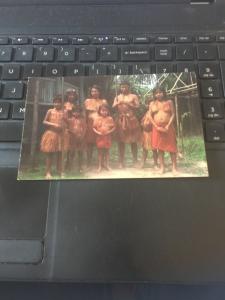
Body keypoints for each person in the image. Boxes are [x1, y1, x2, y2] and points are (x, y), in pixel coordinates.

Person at [149, 87, 177, 174]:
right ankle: (162, 167)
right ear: (154, 95)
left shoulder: (169, 102)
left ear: (164, 93)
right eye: (156, 93)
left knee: (172, 148)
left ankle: (174, 168)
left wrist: (168, 125)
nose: (158, 94)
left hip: (168, 128)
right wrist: (156, 126)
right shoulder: (152, 103)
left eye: (160, 92)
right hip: (157, 128)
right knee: (160, 148)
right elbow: (150, 116)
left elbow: (173, 114)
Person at [112, 81, 141, 168]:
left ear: (129, 87)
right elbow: (113, 106)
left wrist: (129, 104)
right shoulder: (118, 97)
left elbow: (138, 106)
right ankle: (121, 162)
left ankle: (135, 161)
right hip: (121, 120)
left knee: (133, 141)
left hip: (131, 119)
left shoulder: (133, 96)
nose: (123, 89)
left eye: (125, 87)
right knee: (121, 141)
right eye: (122, 87)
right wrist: (118, 103)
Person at [40, 95, 66, 179]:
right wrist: (54, 124)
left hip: (61, 135)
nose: (57, 104)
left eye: (59, 102)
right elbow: (44, 121)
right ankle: (48, 172)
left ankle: (60, 171)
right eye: (55, 102)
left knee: (60, 154)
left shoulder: (64, 112)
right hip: (51, 133)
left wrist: (64, 124)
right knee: (49, 154)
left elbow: (66, 122)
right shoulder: (50, 111)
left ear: (62, 103)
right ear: (53, 103)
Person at [84, 85, 108, 167]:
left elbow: (107, 113)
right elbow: (85, 113)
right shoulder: (87, 101)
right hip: (90, 124)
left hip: (101, 124)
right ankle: (89, 162)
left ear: (99, 92)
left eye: (96, 91)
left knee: (102, 143)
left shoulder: (103, 101)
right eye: (92, 91)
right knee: (89, 143)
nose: (94, 93)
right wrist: (85, 124)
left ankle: (102, 163)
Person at [93, 102, 115, 172]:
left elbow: (113, 127)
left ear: (108, 111)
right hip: (100, 137)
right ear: (99, 111)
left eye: (106, 110)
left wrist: (109, 132)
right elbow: (93, 128)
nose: (104, 112)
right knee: (100, 152)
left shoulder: (110, 118)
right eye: (102, 110)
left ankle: (107, 165)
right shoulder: (97, 118)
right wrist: (98, 132)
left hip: (107, 137)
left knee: (107, 151)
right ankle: (99, 165)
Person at [67, 106, 86, 173]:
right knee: (71, 152)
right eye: (75, 112)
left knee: (80, 152)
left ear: (80, 113)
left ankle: (80, 167)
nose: (76, 113)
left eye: (78, 112)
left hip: (80, 138)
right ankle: (70, 166)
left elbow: (84, 129)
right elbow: (67, 128)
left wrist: (82, 136)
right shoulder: (70, 119)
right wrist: (71, 132)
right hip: (72, 138)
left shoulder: (82, 120)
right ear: (72, 112)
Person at [140, 100, 158, 169]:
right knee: (145, 149)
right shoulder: (146, 113)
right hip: (145, 133)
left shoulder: (155, 113)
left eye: (152, 105)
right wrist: (143, 124)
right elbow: (142, 121)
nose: (150, 106)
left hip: (152, 132)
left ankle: (155, 164)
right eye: (149, 104)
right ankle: (143, 163)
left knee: (154, 149)